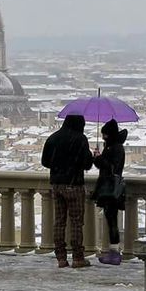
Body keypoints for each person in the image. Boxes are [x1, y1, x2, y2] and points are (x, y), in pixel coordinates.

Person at [41, 114, 94, 268]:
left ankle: (61, 258)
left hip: (56, 185)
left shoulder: (53, 138)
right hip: (74, 185)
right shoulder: (80, 139)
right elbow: (86, 164)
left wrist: (60, 165)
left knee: (59, 221)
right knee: (76, 222)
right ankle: (78, 257)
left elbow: (45, 161)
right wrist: (91, 156)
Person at [93, 119, 128, 266]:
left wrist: (99, 158)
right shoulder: (114, 146)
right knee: (111, 220)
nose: (103, 137)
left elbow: (110, 167)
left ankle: (114, 253)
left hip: (110, 189)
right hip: (110, 188)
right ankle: (113, 252)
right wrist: (99, 158)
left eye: (105, 135)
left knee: (112, 220)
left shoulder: (115, 148)